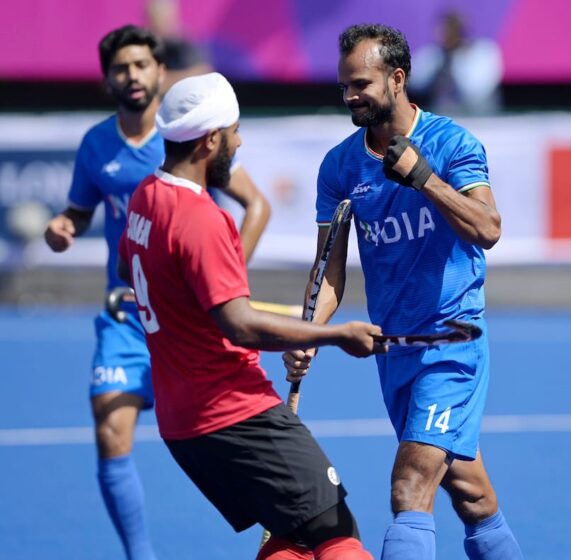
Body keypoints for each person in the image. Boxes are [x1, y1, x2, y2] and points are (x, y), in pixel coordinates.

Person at [118, 71, 382, 560]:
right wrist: (335, 333)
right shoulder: (201, 218)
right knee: (337, 529)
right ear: (211, 139)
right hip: (234, 412)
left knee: (294, 535)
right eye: (234, 131)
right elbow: (238, 324)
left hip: (182, 426)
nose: (239, 142)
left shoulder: (144, 198)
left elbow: (130, 270)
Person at [283, 23, 523, 560]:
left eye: (361, 84)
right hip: (394, 352)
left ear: (397, 78)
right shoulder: (340, 167)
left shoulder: (451, 142)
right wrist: (308, 333)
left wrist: (427, 180)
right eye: (344, 84)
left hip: (453, 343)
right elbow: (331, 272)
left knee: (410, 483)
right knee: (470, 491)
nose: (350, 96)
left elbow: (488, 229)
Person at [42, 25, 270, 559]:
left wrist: (222, 279)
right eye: (122, 68)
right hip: (126, 315)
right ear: (108, 80)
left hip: (188, 323)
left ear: (160, 72)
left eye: (142, 65)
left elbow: (256, 205)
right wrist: (64, 225)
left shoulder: (186, 138)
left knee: (230, 433)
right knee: (110, 429)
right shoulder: (96, 145)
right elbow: (79, 210)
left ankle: (285, 524)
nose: (133, 76)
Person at [408, 12, 502, 115]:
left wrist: (454, 59)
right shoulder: (435, 55)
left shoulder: (483, 52)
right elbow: (413, 81)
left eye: (450, 29)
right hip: (442, 119)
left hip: (481, 120)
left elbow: (476, 92)